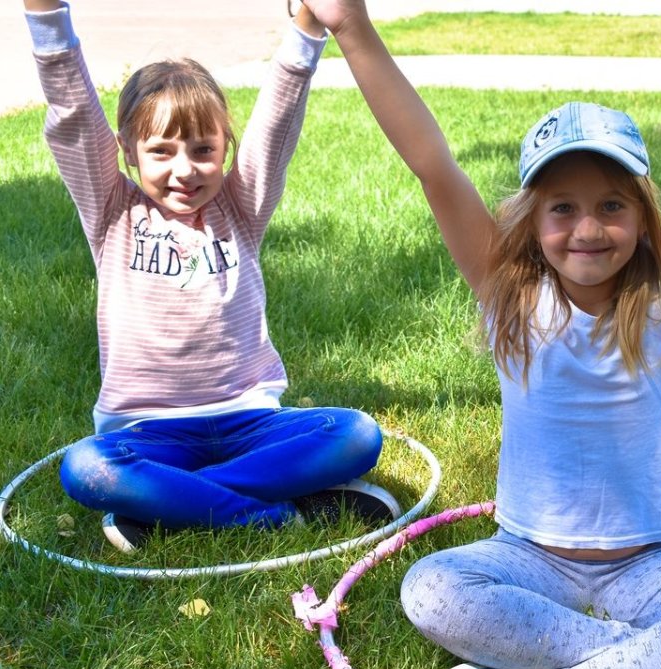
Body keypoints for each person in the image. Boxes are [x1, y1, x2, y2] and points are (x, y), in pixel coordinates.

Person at [301, 0, 661, 669]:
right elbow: (432, 164)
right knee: (432, 589)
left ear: (643, 218)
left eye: (611, 205)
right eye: (562, 209)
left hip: (652, 568)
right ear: (532, 223)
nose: (588, 229)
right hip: (528, 560)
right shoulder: (510, 299)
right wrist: (351, 27)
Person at [23, 0, 401, 553]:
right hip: (146, 433)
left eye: (204, 150)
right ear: (127, 152)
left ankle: (170, 507)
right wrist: (46, 13)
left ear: (227, 148)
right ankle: (280, 516)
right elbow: (74, 113)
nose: (185, 169)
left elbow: (276, 123)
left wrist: (309, 25)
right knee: (87, 468)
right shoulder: (111, 211)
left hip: (251, 422)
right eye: (161, 151)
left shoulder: (241, 207)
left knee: (356, 435)